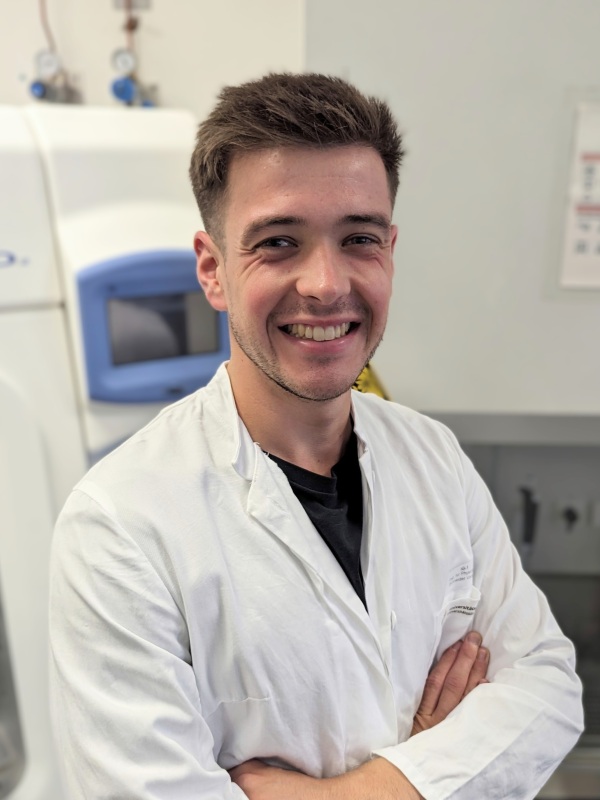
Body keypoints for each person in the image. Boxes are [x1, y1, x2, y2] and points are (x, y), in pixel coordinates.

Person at [49, 73, 583, 799]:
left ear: (389, 250)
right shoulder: (119, 528)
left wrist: (360, 792)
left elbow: (547, 686)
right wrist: (444, 762)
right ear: (213, 269)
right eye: (279, 242)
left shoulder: (432, 457)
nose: (327, 284)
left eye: (359, 238)